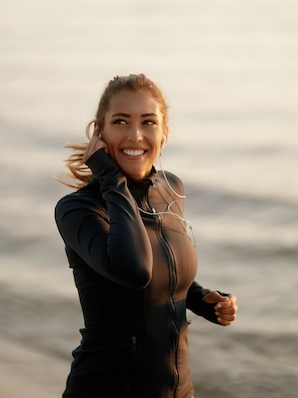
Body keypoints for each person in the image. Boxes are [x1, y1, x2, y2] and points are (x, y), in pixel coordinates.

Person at [54, 74, 238, 398]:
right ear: (99, 132)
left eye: (148, 122)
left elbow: (161, 266)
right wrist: (110, 177)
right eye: (121, 121)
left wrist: (201, 299)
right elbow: (134, 270)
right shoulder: (78, 210)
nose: (135, 135)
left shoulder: (170, 188)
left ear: (163, 135)